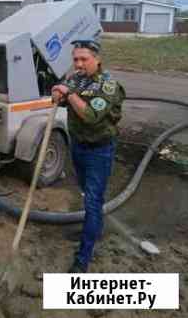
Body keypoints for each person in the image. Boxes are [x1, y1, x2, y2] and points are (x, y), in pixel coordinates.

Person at [51, 39, 125, 273]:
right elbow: (62, 92)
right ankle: (91, 229)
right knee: (85, 193)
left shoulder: (108, 85)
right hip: (78, 146)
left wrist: (69, 93)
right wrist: (57, 92)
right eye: (76, 59)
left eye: (84, 59)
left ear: (97, 59)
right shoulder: (75, 78)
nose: (79, 63)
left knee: (93, 201)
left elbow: (91, 115)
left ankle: (83, 258)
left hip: (99, 151)